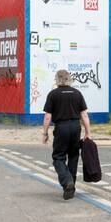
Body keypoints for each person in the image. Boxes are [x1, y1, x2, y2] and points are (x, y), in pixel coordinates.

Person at [42, 69, 91, 200]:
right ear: (69, 79)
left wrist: (45, 133)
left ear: (57, 80)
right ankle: (71, 186)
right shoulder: (77, 93)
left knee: (58, 157)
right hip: (75, 127)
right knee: (74, 156)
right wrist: (87, 133)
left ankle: (67, 181)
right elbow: (84, 115)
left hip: (61, 127)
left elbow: (47, 117)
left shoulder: (53, 94)